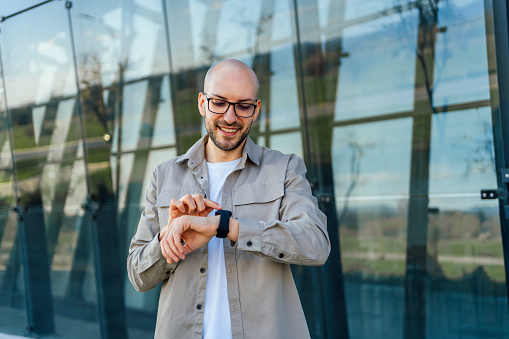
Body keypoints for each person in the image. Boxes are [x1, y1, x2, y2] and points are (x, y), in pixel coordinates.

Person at [127, 59, 330, 339]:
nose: (230, 117)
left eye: (243, 106)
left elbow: (316, 244)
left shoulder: (285, 168)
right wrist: (171, 241)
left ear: (256, 110)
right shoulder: (164, 176)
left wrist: (225, 227)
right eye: (219, 102)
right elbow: (138, 276)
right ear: (202, 103)